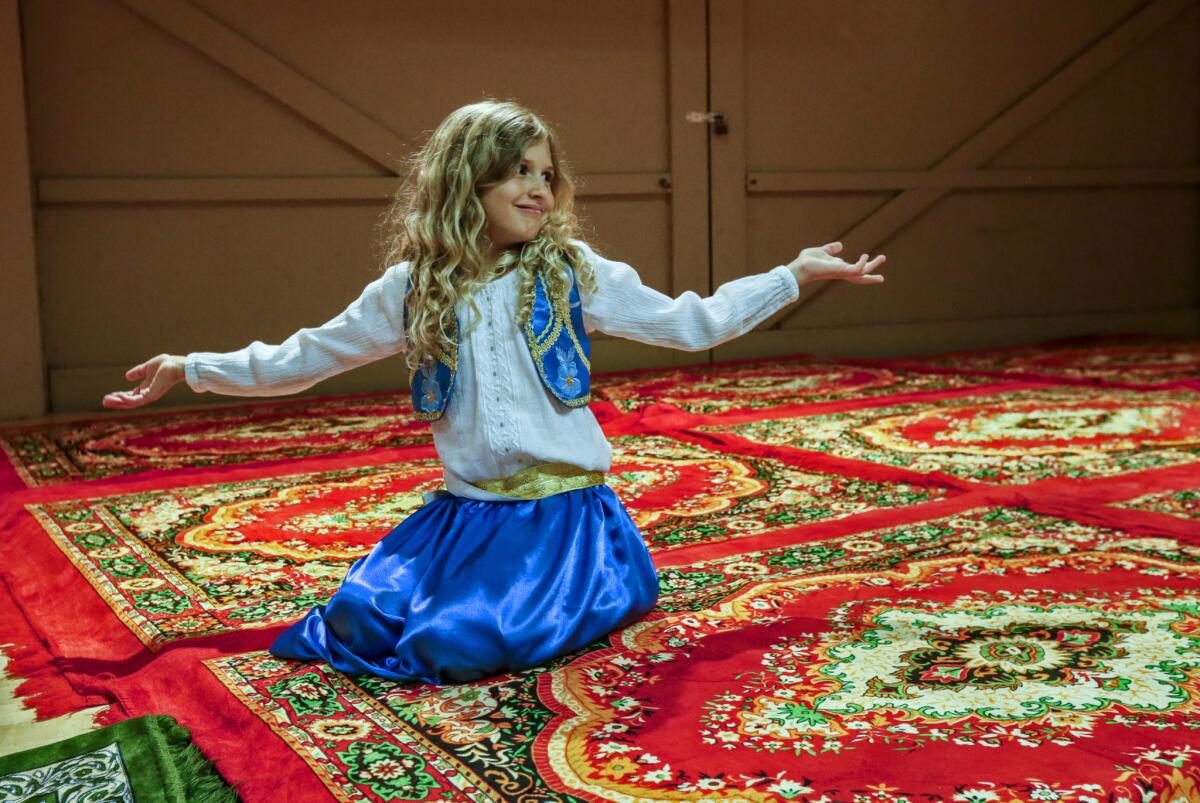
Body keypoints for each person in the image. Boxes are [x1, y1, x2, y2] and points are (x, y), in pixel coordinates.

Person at [102, 99, 886, 684]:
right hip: (468, 514)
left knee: (453, 644)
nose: (540, 187)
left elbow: (692, 323)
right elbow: (305, 358)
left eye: (547, 173)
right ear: (465, 178)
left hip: (563, 522)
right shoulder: (410, 288)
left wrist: (793, 276)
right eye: (519, 171)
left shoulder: (572, 271)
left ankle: (576, 592)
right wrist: (191, 366)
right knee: (357, 615)